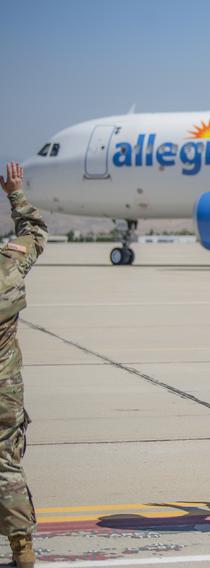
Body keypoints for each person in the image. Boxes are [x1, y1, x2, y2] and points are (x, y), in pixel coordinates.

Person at [0, 162, 48, 568]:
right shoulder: (9, 265)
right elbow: (34, 233)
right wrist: (15, 193)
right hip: (4, 389)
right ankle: (22, 548)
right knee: (6, 464)